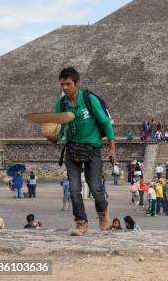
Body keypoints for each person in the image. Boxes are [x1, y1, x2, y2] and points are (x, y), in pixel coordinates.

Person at [51, 67, 117, 236]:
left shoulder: (89, 99)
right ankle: (81, 223)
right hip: (72, 148)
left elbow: (104, 122)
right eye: (62, 84)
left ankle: (103, 212)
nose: (64, 88)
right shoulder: (61, 104)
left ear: (76, 83)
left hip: (92, 148)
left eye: (68, 84)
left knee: (95, 188)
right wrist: (54, 137)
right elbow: (60, 128)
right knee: (74, 189)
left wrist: (112, 146)